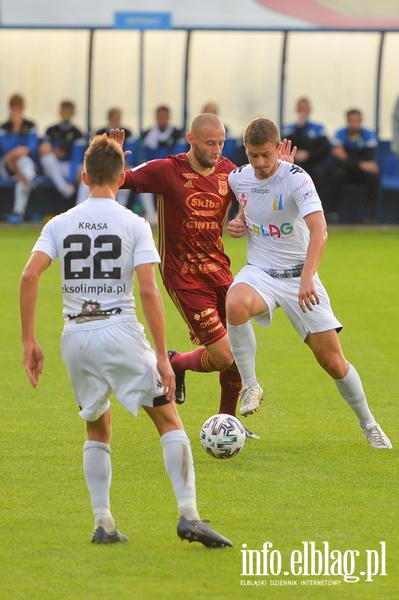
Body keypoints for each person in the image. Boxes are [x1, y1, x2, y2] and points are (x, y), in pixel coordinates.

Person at [19, 133, 232, 548]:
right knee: (168, 419)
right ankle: (189, 516)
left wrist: (29, 340)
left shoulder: (60, 223)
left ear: (83, 176)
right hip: (119, 330)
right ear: (121, 179)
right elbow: (150, 292)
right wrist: (163, 357)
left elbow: (29, 276)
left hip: (75, 336)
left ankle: (104, 523)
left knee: (96, 428)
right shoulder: (134, 223)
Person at [112, 115, 295, 440]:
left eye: (221, 143)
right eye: (210, 143)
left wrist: (242, 216)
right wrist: (111, 158)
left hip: (222, 273)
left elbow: (259, 198)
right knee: (225, 354)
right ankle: (177, 362)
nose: (217, 149)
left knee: (239, 349)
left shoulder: (231, 173)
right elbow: (118, 181)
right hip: (184, 279)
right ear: (191, 139)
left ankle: (227, 424)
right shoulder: (165, 169)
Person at [225, 116, 392, 450]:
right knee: (235, 303)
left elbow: (320, 230)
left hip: (300, 276)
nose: (259, 163)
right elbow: (250, 202)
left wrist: (306, 279)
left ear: (277, 149)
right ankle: (250, 385)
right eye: (253, 155)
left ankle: (369, 424)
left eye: (266, 156)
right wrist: (240, 221)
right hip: (260, 272)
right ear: (246, 150)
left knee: (333, 362)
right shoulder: (238, 178)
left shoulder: (298, 179)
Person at [75, 107, 133, 207]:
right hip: (99, 165)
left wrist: (118, 160)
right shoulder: (100, 133)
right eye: (113, 119)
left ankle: (122, 206)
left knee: (127, 174)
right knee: (84, 175)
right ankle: (79, 205)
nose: (115, 121)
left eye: (117, 119)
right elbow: (92, 153)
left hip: (118, 166)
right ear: (108, 119)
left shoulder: (127, 132)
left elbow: (131, 155)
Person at [330, 109, 380, 223]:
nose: (354, 123)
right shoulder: (340, 134)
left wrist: (347, 158)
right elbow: (338, 160)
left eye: (356, 120)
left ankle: (370, 214)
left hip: (361, 174)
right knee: (336, 174)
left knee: (372, 176)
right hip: (345, 172)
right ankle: (333, 213)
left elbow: (369, 160)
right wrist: (360, 164)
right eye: (351, 120)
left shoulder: (368, 135)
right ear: (347, 121)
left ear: (361, 121)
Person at [282, 97, 330, 205]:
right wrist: (300, 127)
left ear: (310, 110)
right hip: (295, 163)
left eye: (305, 109)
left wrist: (309, 155)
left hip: (314, 163)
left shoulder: (319, 128)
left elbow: (323, 148)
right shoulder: (289, 129)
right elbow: (286, 145)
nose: (303, 112)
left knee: (320, 174)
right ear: (297, 110)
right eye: (301, 109)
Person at [0, 93, 40, 224]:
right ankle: (32, 179)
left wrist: (21, 151)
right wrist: (16, 129)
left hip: (24, 166)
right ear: (10, 108)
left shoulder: (30, 125)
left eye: (19, 107)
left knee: (23, 163)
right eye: (14, 107)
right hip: (8, 167)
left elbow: (32, 146)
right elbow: (6, 149)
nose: (16, 110)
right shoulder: (4, 127)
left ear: (23, 108)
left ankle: (17, 213)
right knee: (19, 156)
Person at [39, 100, 84, 199]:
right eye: (64, 112)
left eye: (69, 112)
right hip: (53, 167)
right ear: (60, 112)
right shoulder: (50, 130)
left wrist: (71, 179)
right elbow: (43, 150)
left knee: (86, 171)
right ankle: (63, 188)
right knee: (47, 157)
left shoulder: (77, 133)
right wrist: (55, 152)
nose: (66, 115)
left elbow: (76, 157)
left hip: (68, 167)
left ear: (73, 113)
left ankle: (80, 207)